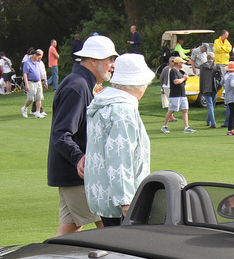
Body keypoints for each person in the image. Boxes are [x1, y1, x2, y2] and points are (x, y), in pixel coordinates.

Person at [47, 34, 117, 236]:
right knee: (112, 234)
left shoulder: (81, 83)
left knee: (66, 236)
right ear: (94, 61)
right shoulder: (77, 86)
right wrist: (79, 158)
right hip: (80, 176)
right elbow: (61, 134)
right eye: (109, 59)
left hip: (74, 175)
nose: (112, 64)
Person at [84, 54, 154, 226]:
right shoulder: (123, 111)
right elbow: (120, 157)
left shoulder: (106, 104)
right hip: (120, 205)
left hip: (104, 196)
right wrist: (126, 202)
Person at [160, 57, 195, 133]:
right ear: (178, 63)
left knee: (185, 110)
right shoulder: (173, 71)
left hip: (182, 94)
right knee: (171, 110)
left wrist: (185, 78)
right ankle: (165, 126)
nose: (183, 64)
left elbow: (182, 81)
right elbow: (176, 81)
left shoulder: (180, 71)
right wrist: (184, 78)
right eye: (181, 63)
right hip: (175, 95)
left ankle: (186, 127)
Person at [22, 49, 47, 119]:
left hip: (38, 82)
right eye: (37, 55)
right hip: (31, 82)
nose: (38, 57)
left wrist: (40, 83)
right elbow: (25, 74)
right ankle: (24, 108)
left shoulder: (37, 63)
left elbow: (38, 74)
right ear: (33, 55)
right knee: (30, 99)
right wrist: (26, 84)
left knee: (39, 98)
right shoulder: (27, 63)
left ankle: (38, 113)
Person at [199, 52, 217, 128]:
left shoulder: (202, 67)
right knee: (211, 105)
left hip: (206, 87)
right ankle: (212, 122)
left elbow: (201, 79)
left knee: (210, 105)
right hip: (214, 87)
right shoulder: (216, 66)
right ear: (213, 58)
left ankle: (209, 121)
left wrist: (201, 90)